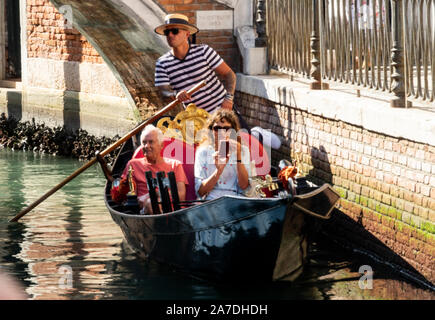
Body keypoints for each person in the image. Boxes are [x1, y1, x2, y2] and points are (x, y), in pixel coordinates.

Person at [154, 13, 237, 114]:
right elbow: (164, 93)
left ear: (187, 34)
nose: (170, 35)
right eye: (167, 32)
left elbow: (229, 74)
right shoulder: (162, 63)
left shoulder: (204, 51)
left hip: (221, 111)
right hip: (194, 120)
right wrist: (176, 94)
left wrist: (228, 98)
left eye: (175, 31)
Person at [111, 125, 188, 213]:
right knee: (151, 203)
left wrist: (155, 194)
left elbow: (181, 196)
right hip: (146, 211)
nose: (147, 146)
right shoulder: (133, 165)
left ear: (161, 145)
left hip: (174, 212)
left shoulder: (175, 165)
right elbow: (132, 200)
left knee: (152, 201)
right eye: (144, 142)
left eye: (151, 142)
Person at [194, 109, 251, 200]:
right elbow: (200, 192)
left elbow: (244, 186)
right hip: (211, 200)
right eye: (217, 129)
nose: (221, 133)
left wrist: (238, 157)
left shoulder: (242, 150)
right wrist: (218, 171)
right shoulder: (203, 152)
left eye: (226, 129)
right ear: (211, 130)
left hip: (236, 199)